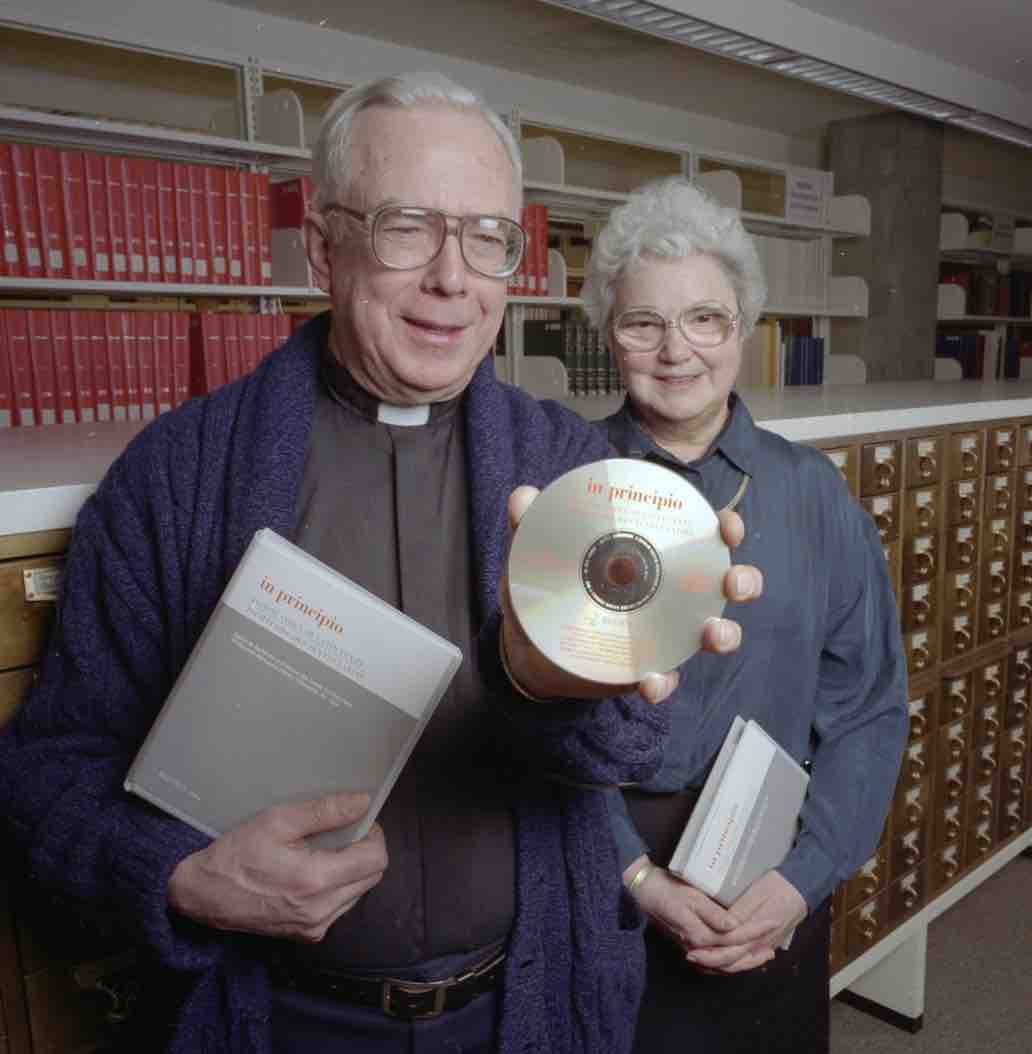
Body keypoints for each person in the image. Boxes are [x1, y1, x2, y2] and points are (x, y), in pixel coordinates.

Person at [0, 79, 762, 1054]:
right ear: (324, 246)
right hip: (278, 1021)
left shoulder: (573, 469)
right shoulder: (174, 477)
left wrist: (552, 684)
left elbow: (625, 754)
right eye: (409, 226)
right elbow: (45, 772)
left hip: (529, 1011)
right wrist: (179, 878)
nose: (454, 277)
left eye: (489, 235)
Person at [580, 177, 909, 1054]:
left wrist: (804, 878)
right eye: (643, 322)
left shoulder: (814, 495)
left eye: (705, 319)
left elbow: (869, 710)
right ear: (610, 335)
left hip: (772, 853)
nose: (676, 349)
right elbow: (530, 722)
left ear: (745, 328)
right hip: (611, 864)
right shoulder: (571, 486)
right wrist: (634, 874)